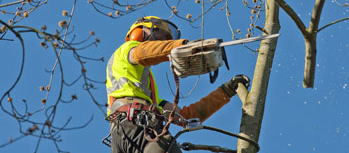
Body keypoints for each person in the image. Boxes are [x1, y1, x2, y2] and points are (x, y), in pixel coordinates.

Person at [105, 16, 250, 153]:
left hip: (125, 134)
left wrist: (225, 92)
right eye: (159, 35)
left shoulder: (148, 98)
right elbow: (144, 52)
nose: (161, 41)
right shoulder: (126, 50)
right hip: (134, 125)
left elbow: (188, 116)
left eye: (166, 39)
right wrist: (182, 46)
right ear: (139, 32)